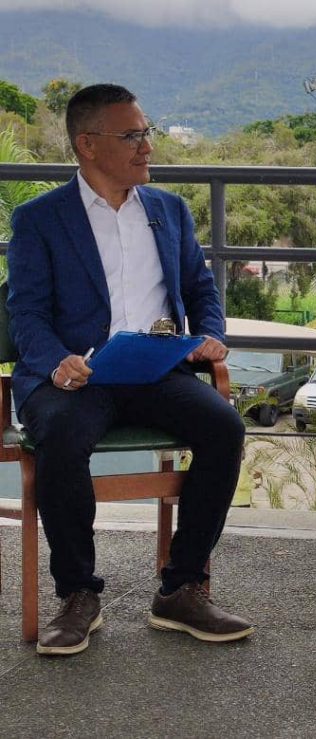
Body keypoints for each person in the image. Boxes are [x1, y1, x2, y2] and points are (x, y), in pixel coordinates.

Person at [7, 83, 253, 656]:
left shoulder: (168, 210)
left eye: (147, 133)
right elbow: (27, 314)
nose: (147, 146)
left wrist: (210, 336)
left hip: (155, 370)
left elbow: (200, 287)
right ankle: (77, 595)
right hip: (78, 377)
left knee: (225, 428)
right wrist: (56, 362)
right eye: (132, 135)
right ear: (88, 144)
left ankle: (182, 589)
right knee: (61, 433)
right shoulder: (40, 219)